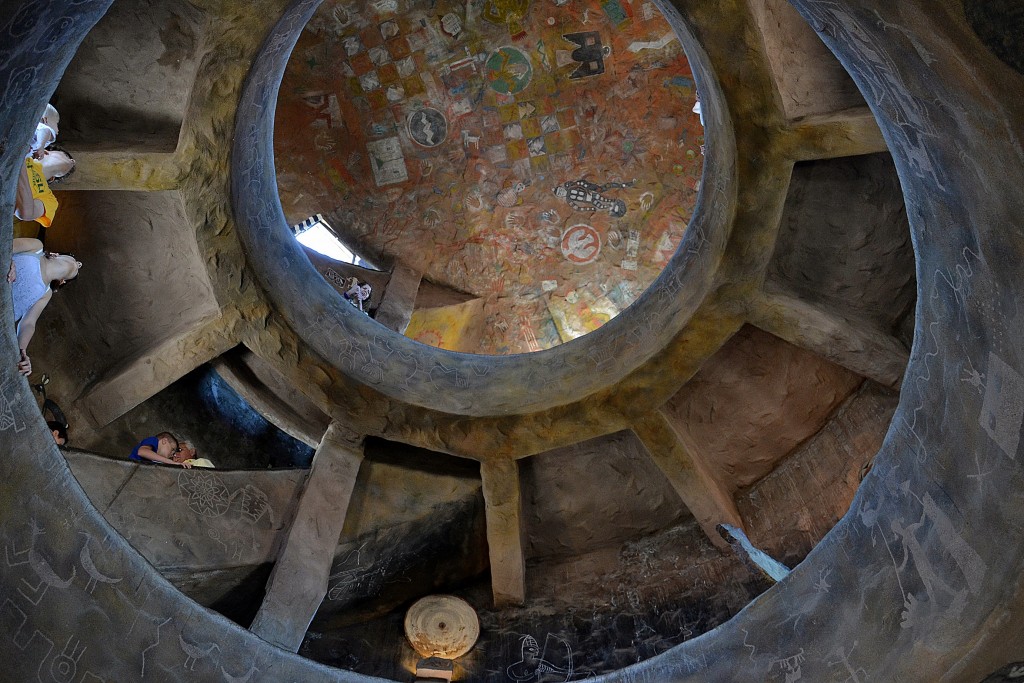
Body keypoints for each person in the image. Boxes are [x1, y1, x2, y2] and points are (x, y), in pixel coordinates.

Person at [8, 238, 81, 376]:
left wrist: (22, 351)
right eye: (74, 259)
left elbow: (28, 323)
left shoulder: (46, 294)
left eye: (77, 267)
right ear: (55, 254)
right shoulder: (36, 247)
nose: (78, 264)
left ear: (62, 281)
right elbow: (7, 245)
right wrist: (7, 262)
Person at [15, 146, 75, 228]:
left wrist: (20, 160)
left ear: (52, 179)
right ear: (45, 152)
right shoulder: (28, 152)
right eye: (66, 155)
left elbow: (26, 213)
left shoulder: (49, 199)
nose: (72, 161)